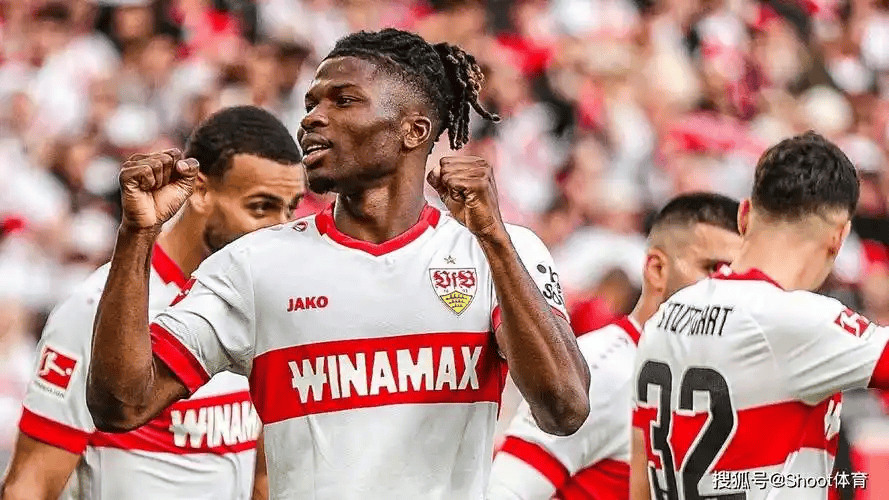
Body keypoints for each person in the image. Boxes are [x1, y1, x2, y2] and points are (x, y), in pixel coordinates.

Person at [83, 28, 591, 500]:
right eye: (311, 104)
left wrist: (494, 240)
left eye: (343, 100)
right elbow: (121, 405)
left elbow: (564, 409)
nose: (311, 118)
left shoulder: (498, 252)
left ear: (413, 130)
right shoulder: (254, 265)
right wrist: (136, 235)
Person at [0, 105, 305, 500]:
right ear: (199, 192)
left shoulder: (263, 305)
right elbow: (32, 483)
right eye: (260, 207)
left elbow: (264, 475)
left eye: (290, 209)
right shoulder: (96, 310)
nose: (279, 228)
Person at [630, 131, 889, 500]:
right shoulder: (799, 321)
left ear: (744, 214)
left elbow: (640, 481)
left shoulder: (663, 318)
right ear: (839, 236)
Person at [488, 192, 742, 500]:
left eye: (736, 273)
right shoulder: (600, 369)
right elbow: (505, 492)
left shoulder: (730, 380)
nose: (725, 285)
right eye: (712, 268)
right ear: (657, 270)